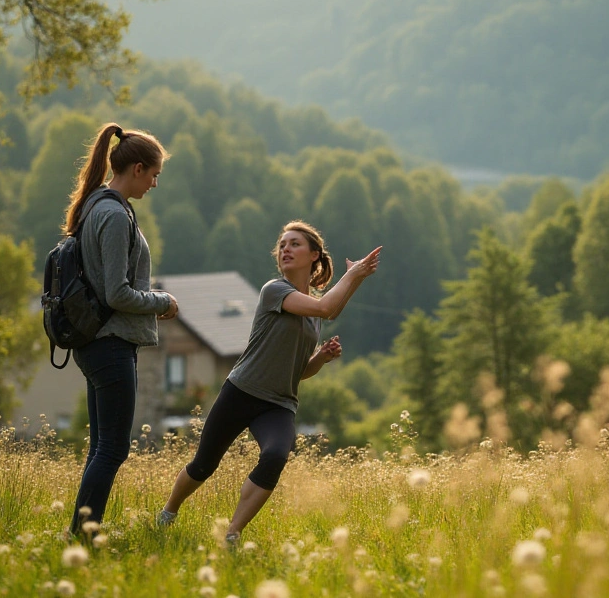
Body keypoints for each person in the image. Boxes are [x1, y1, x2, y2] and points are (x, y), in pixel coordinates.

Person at [158, 221, 381, 543]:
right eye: (282, 245)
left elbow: (299, 371)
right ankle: (168, 513)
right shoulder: (274, 291)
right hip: (241, 391)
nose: (285, 249)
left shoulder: (314, 314)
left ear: (314, 255)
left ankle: (231, 535)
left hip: (278, 403)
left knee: (276, 455)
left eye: (294, 244)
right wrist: (355, 274)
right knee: (203, 466)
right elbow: (328, 307)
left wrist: (321, 358)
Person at [65, 123, 179, 536]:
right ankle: (83, 534)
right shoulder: (113, 215)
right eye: (153, 175)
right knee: (113, 448)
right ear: (135, 168)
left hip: (97, 343)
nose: (153, 183)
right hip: (110, 343)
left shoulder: (96, 205)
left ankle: (80, 532)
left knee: (103, 447)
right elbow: (117, 293)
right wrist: (163, 302)